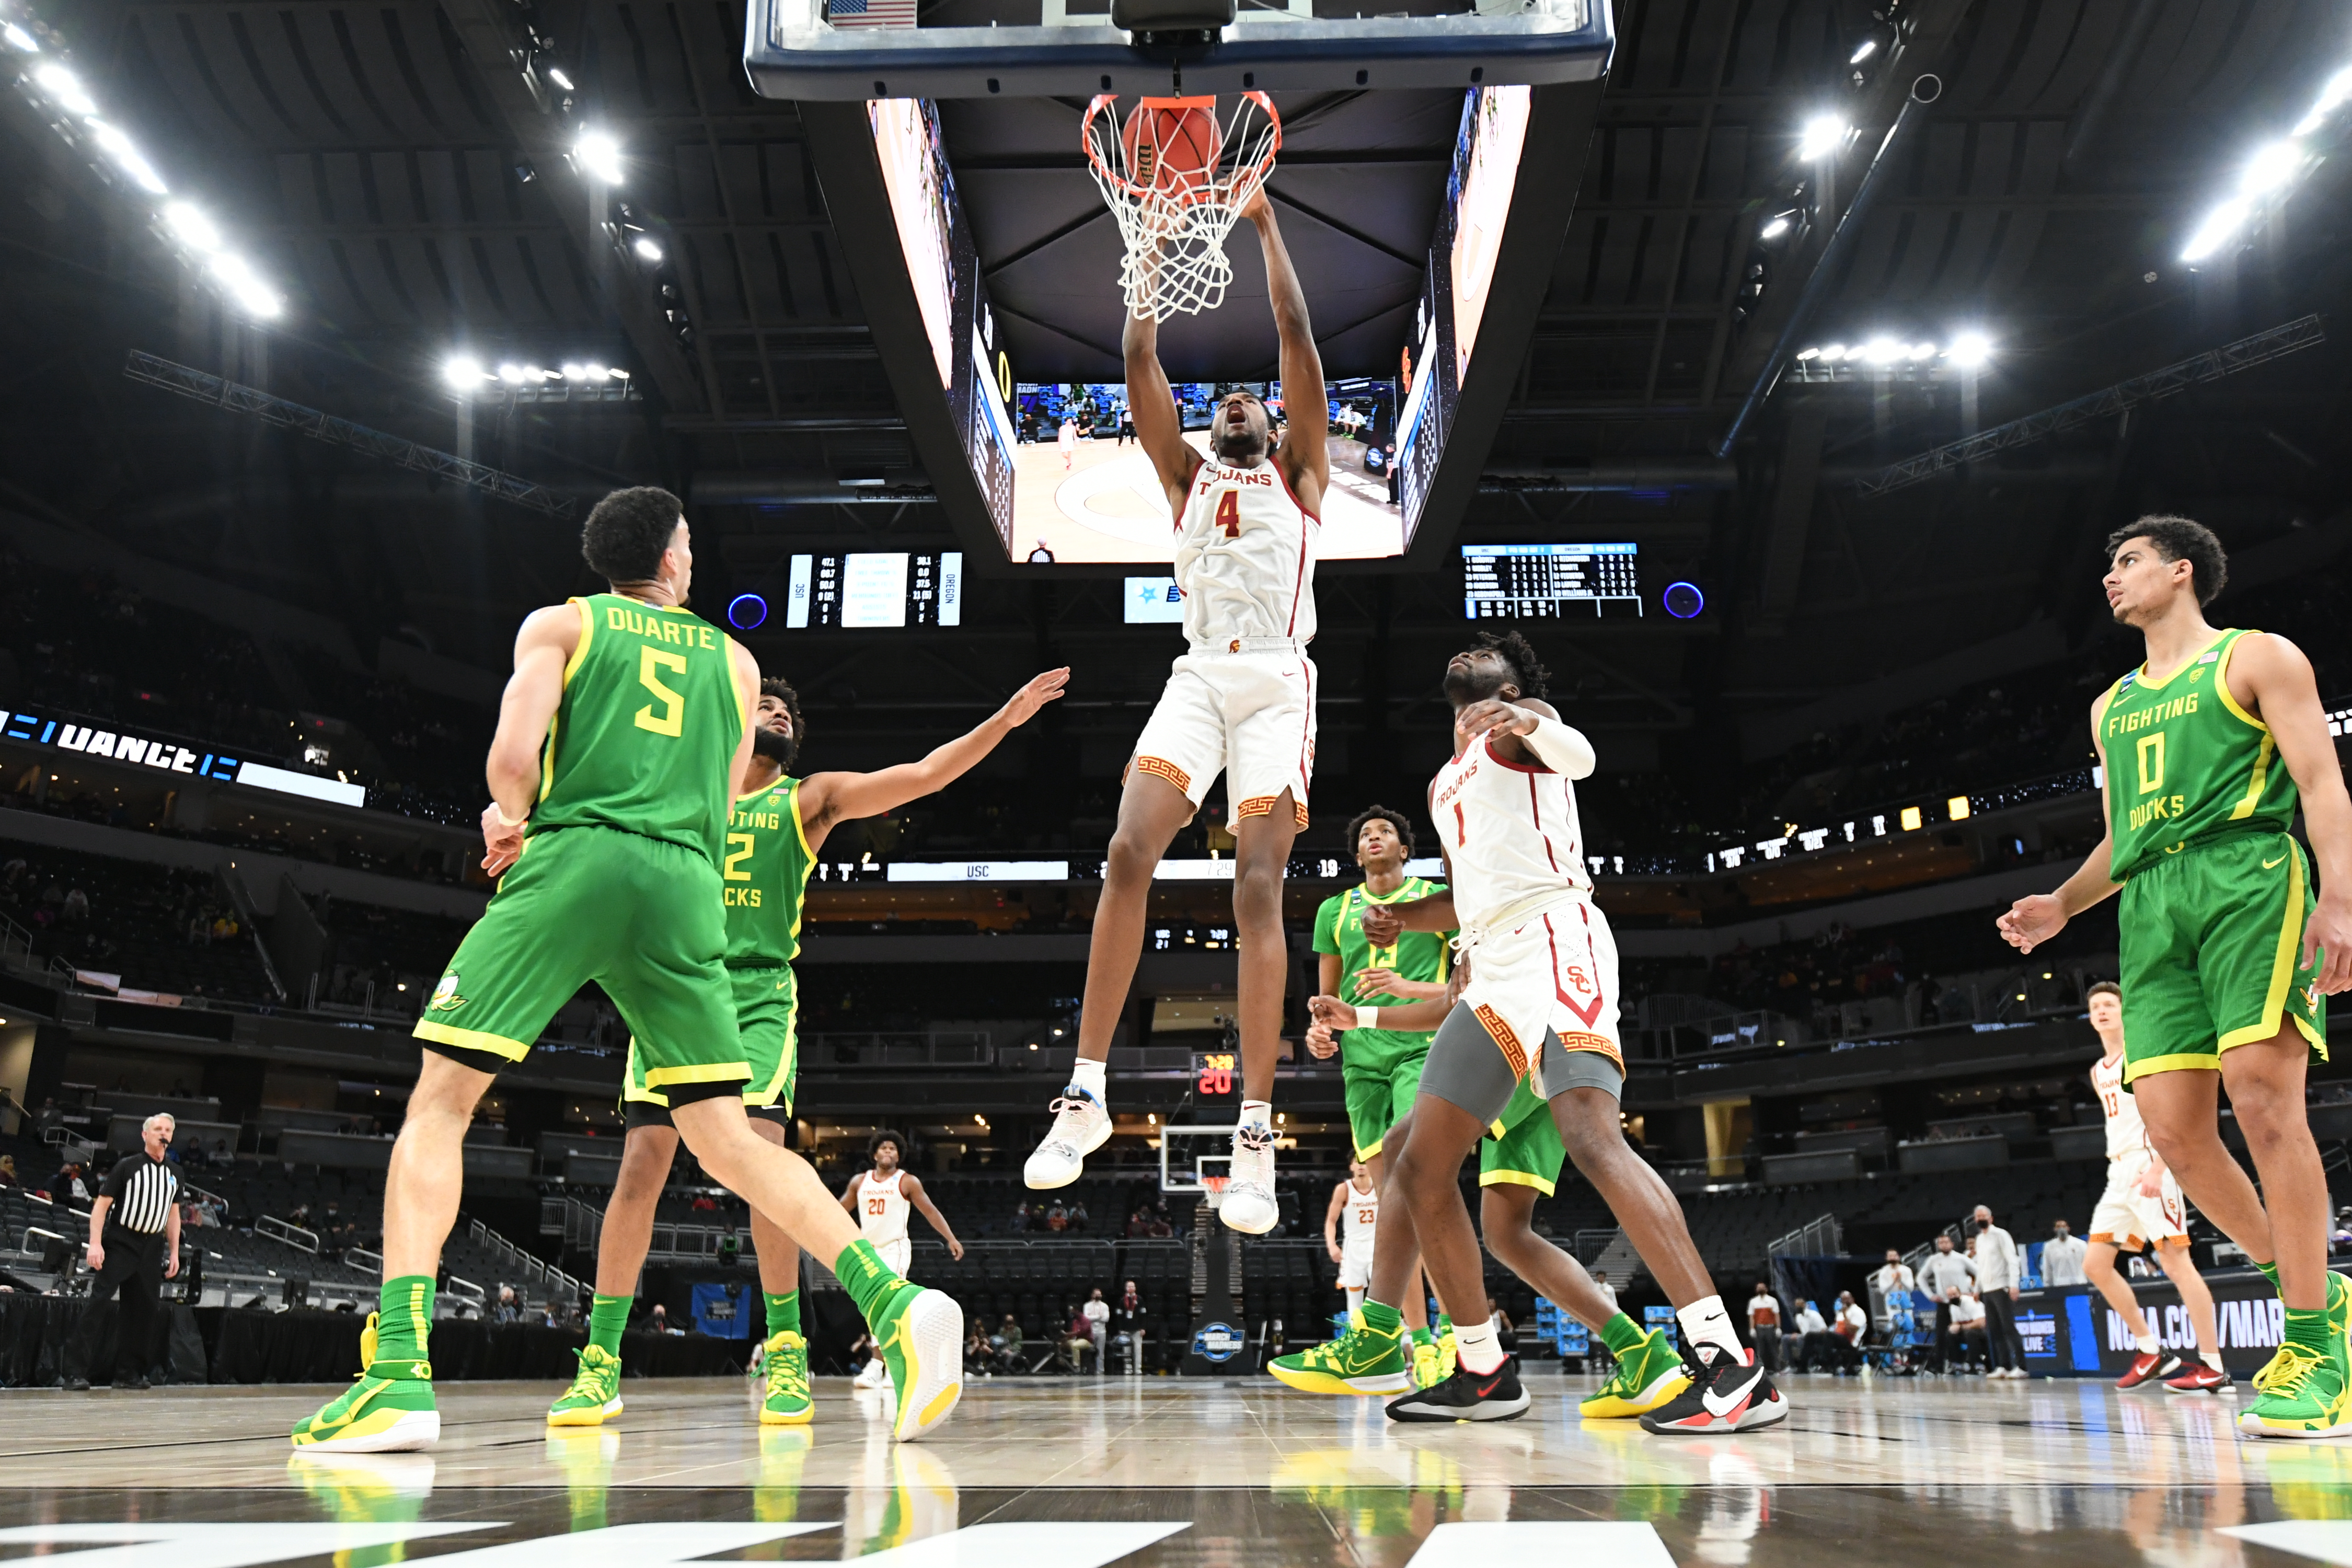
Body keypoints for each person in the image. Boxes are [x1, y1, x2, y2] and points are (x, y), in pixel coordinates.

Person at [293, 487, 966, 1454]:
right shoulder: (736, 662)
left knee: (439, 1106)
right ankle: (893, 1304)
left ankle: (397, 1372)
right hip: (688, 886)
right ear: (677, 560)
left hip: (581, 860)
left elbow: (513, 752)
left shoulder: (561, 624)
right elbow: (726, 787)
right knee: (731, 1144)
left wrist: (505, 816)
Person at [1277, 633, 1779, 1432]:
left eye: (1489, 666)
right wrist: (1401, 916)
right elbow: (1469, 895)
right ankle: (1481, 1366)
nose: (1468, 661)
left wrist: (1518, 713)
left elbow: (1576, 754)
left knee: (1589, 1133)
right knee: (1415, 1157)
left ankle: (1731, 1363)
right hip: (1490, 964)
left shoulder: (1520, 731)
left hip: (1554, 937)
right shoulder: (1446, 781)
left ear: (1510, 685)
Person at [566, 664, 1057, 1428]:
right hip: (672, 986)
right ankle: (599, 1362)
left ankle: (788, 1347)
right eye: (764, 705)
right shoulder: (678, 790)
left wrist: (1005, 720)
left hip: (756, 995)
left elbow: (924, 775)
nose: (780, 715)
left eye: (789, 713)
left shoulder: (806, 799)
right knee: (640, 1169)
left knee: (763, 1164)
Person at [2000, 515, 2352, 1437]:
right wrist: (2063, 904)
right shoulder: (2110, 705)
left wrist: (2341, 902)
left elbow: (2321, 782)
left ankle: (2311, 1343)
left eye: (2127, 562)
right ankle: (2315, 1291)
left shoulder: (2257, 657)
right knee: (2175, 1131)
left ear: (2181, 571)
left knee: (2264, 1099)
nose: (2111, 579)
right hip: (2152, 903)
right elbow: (2123, 839)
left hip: (2248, 874)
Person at [1023, 189, 1329, 1239]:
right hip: (1199, 677)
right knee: (1125, 855)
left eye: (1255, 400)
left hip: (1280, 685)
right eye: (1227, 401)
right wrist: (1147, 255)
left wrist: (1263, 225)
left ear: (1278, 426)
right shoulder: (1182, 473)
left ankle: (1254, 1130)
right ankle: (1087, 1092)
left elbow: (1293, 332)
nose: (1240, 401)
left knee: (1257, 883)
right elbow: (1140, 361)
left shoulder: (1302, 473)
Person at [1308, 806, 1450, 1371]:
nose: (1374, 836)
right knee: (1397, 1205)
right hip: (1361, 1062)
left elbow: (1464, 984)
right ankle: (1417, 1342)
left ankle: (1453, 1339)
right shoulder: (1332, 910)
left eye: (1386, 831)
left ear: (1404, 847)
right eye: (1365, 832)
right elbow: (1325, 1001)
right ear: (1357, 851)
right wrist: (1320, 1031)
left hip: (1421, 1045)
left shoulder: (1436, 901)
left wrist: (1405, 987)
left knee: (1416, 1176)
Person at [2080, 980, 2230, 1392]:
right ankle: (2152, 1352)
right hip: (2118, 1173)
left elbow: (2172, 1116)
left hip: (2151, 1165)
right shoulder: (2098, 1070)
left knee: (2176, 1263)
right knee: (2095, 1264)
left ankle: (2213, 1364)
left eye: (2110, 1004)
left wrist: (2160, 1168)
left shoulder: (2143, 1053)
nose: (2103, 1011)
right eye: (2096, 1007)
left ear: (2124, 1011)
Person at [62, 1113, 182, 1390]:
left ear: (171, 1136)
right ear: (145, 1135)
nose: (163, 1133)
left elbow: (173, 1215)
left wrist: (174, 1252)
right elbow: (101, 1206)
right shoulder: (127, 1166)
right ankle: (74, 1372)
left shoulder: (176, 1173)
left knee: (144, 1311)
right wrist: (95, 1243)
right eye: (157, 1129)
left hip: (152, 1247)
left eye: (167, 1130)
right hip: (122, 1241)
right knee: (98, 1303)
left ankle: (129, 1373)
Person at [845, 1131, 963, 1391]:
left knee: (883, 1303)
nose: (888, 1152)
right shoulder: (859, 1182)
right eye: (884, 1148)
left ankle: (877, 1367)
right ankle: (894, 1366)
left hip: (894, 1249)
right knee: (873, 1311)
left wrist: (951, 1238)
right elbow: (839, 1212)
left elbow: (930, 1211)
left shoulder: (907, 1182)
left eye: (893, 1149)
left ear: (899, 1155)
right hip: (869, 1252)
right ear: (874, 1153)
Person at [1970, 1206, 2026, 1378]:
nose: (1981, 1219)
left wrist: (2014, 1284)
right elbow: (1981, 1266)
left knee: (2008, 1327)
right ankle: (2004, 1366)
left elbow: (2012, 1260)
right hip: (1987, 1290)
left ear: (1991, 1218)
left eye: (1983, 1216)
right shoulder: (1979, 1239)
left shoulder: (2001, 1235)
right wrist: (1977, 1288)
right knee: (1994, 1330)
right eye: (1977, 1216)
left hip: (2001, 1286)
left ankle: (2022, 1367)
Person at [1324, 1160, 1380, 1319]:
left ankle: (1389, 1331)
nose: (1361, 1166)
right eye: (1357, 1162)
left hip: (1376, 1245)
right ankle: (1356, 1334)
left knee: (1380, 1294)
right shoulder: (1344, 1189)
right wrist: (1332, 1245)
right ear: (1351, 1166)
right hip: (1353, 1247)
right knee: (1354, 1298)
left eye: (1364, 1162)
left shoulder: (1379, 1185)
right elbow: (1331, 1221)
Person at [1915, 1234, 1976, 1373]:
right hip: (1944, 1302)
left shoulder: (1961, 1258)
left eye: (1946, 1242)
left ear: (1952, 1244)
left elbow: (1978, 1271)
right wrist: (1930, 1295)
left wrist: (1974, 1291)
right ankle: (1940, 1366)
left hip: (1962, 1302)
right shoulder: (1934, 1260)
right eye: (1941, 1243)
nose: (1944, 1245)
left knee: (1965, 1333)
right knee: (1941, 1336)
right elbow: (1920, 1278)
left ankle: (1969, 1364)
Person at [1827, 1290, 1869, 1375]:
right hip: (1841, 1338)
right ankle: (1827, 1365)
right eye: (1843, 1299)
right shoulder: (1841, 1312)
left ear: (1853, 1299)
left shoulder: (1858, 1311)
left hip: (1851, 1341)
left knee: (1829, 1336)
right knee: (1817, 1336)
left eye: (1847, 1299)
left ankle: (1828, 1364)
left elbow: (1851, 1331)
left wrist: (1845, 1315)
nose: (1846, 1301)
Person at [1944, 1290, 1989, 1372]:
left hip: (1983, 1332)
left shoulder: (1972, 1302)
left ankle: (1976, 1363)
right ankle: (1957, 1363)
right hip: (1966, 1330)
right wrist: (1954, 1327)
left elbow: (1982, 1323)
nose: (1953, 1297)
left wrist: (1962, 1327)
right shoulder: (1953, 1306)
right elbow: (1955, 1323)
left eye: (1954, 1294)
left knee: (1970, 1333)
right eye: (1950, 1296)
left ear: (1960, 1294)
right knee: (1950, 1333)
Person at [2042, 1218, 2089, 1289]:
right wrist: (2047, 1286)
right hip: (2060, 1286)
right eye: (2058, 1227)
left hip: (2080, 1284)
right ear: (2055, 1229)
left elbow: (2088, 1265)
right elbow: (2047, 1269)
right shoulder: (2049, 1247)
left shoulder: (2081, 1244)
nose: (2061, 1229)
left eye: (2064, 1226)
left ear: (2068, 1228)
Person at [1747, 1283, 1783, 1373]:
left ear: (1766, 1289)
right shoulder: (1753, 1302)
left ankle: (1777, 1368)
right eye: (1759, 1288)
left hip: (1770, 1328)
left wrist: (1778, 1328)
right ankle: (1761, 1369)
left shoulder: (1772, 1301)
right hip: (1759, 1328)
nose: (1760, 1289)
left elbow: (1776, 1315)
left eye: (1762, 1287)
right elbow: (1752, 1316)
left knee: (1773, 1349)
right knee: (1760, 1349)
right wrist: (1752, 1329)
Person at [1787, 1299, 1829, 1373]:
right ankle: (1791, 1366)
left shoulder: (1814, 1315)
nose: (1797, 1307)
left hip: (1818, 1337)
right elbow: (1803, 1331)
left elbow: (1824, 1329)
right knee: (1785, 1338)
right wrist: (1797, 1334)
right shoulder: (1798, 1317)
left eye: (1799, 1305)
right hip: (1805, 1336)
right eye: (1796, 1305)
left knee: (1803, 1339)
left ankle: (1808, 1365)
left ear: (1804, 1305)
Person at [1082, 1287, 1110, 1367]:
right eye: (1096, 1294)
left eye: (1100, 1294)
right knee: (1090, 1351)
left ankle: (1100, 1370)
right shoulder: (1087, 1305)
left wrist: (1093, 1317)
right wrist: (1099, 1317)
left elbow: (1106, 1319)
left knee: (1101, 1352)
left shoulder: (1105, 1306)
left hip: (1102, 1332)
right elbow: (1087, 1318)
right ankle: (1090, 1369)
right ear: (1093, 1295)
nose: (1098, 1296)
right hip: (1091, 1332)